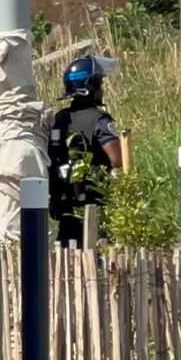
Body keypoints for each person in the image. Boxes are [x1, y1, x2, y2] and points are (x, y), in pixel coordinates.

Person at [49, 55, 123, 245]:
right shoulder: (100, 120)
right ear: (91, 87)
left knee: (67, 258)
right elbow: (117, 160)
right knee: (99, 256)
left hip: (65, 203)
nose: (102, 88)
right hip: (94, 203)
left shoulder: (60, 119)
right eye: (99, 83)